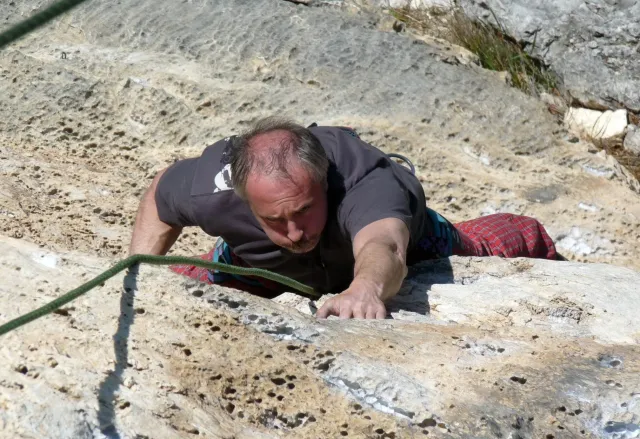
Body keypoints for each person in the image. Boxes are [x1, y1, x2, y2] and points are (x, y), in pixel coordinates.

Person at [129, 117, 558, 319]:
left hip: (412, 250)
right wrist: (139, 270)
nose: (294, 232)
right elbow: (160, 196)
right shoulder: (212, 189)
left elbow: (384, 244)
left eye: (303, 210)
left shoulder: (362, 179)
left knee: (511, 237)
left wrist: (365, 289)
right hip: (259, 264)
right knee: (173, 283)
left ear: (322, 181)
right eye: (274, 219)